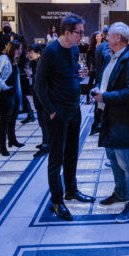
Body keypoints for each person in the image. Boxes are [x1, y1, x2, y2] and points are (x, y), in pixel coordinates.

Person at [35, 14, 95, 221]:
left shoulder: (75, 49)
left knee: (72, 153)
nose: (82, 36)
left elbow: (71, 73)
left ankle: (71, 189)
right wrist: (51, 110)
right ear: (67, 32)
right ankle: (57, 201)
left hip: (73, 109)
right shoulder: (50, 52)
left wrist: (81, 73)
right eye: (79, 32)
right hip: (57, 112)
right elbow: (39, 85)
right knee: (56, 158)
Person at [93, 22, 129, 223]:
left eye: (109, 35)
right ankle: (121, 193)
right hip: (111, 117)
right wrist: (99, 91)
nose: (106, 38)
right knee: (114, 159)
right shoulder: (113, 56)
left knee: (127, 162)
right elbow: (109, 82)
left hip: (124, 120)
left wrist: (105, 96)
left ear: (119, 38)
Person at [0, 40, 24, 156]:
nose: (20, 51)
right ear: (12, 49)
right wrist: (4, 87)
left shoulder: (13, 60)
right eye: (18, 48)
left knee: (13, 118)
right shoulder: (3, 58)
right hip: (5, 95)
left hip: (14, 94)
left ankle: (12, 140)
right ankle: (2, 147)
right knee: (4, 121)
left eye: (21, 49)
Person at [25, 44, 49, 158]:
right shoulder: (35, 63)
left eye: (31, 52)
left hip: (42, 97)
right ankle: (46, 142)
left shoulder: (42, 63)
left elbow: (42, 81)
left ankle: (46, 145)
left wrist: (32, 75)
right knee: (41, 121)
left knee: (44, 122)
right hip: (37, 96)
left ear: (38, 53)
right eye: (28, 52)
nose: (29, 54)